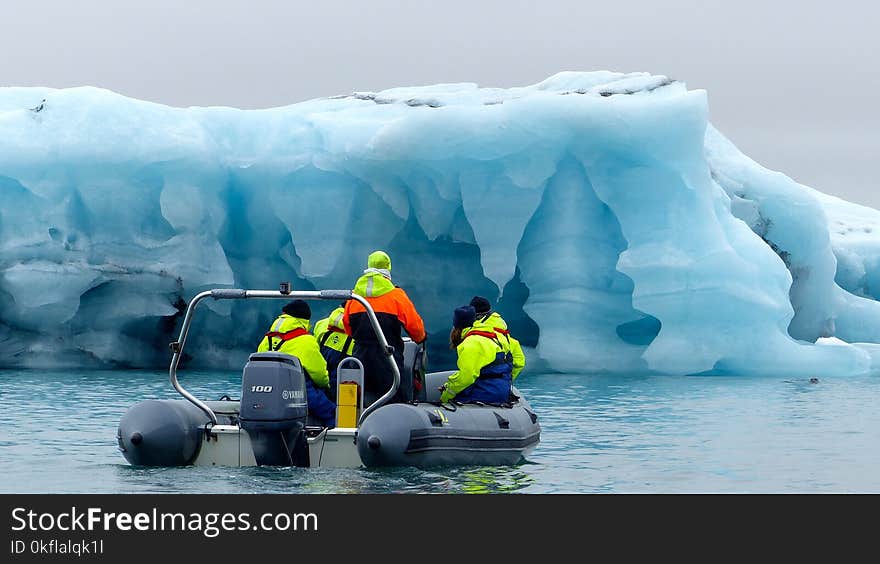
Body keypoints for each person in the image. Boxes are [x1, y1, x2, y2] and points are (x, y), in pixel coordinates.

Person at [343, 250, 426, 405]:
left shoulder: (354, 297)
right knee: (393, 399)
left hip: (359, 356)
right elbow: (416, 329)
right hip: (387, 358)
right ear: (388, 269)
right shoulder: (396, 296)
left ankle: (356, 426)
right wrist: (421, 338)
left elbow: (347, 327)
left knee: (356, 401)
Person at [257, 299, 336, 427]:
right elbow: (320, 375)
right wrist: (328, 386)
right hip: (299, 391)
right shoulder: (306, 341)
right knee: (331, 411)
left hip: (268, 392)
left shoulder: (268, 339)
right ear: (305, 320)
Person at [439, 305, 513, 404]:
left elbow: (467, 377)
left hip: (487, 393)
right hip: (502, 391)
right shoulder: (492, 337)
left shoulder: (470, 343)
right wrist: (448, 385)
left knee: (450, 401)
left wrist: (446, 395)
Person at [469, 296, 526, 380]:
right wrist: (507, 380)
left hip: (481, 387)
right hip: (502, 385)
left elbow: (468, 371)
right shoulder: (508, 339)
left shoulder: (476, 337)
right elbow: (519, 362)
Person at [313, 305, 355, 398]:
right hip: (348, 386)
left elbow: (315, 353)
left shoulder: (321, 323)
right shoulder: (361, 329)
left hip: (323, 383)